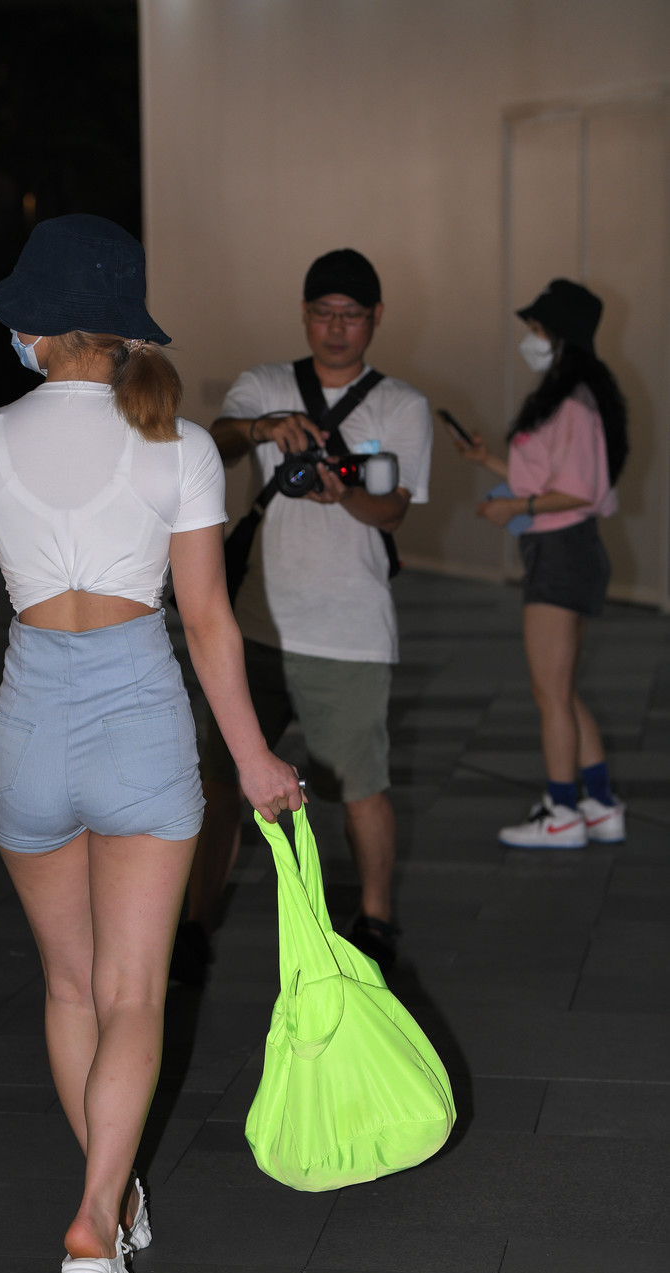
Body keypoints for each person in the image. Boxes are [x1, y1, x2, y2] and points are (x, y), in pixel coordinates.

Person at [0, 215, 303, 1273]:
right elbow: (207, 620)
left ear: (39, 328)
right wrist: (252, 757)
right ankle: (95, 1224)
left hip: (26, 729)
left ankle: (113, 1192)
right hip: (140, 721)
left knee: (69, 988)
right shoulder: (176, 445)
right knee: (136, 992)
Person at [175, 249, 432, 980]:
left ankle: (375, 919)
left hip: (349, 633)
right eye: (323, 312)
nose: (336, 327)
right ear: (303, 314)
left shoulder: (401, 405)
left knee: (361, 787)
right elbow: (215, 446)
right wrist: (264, 429)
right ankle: (195, 923)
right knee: (220, 784)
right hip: (254, 627)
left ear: (376, 318)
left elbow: (393, 511)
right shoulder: (265, 385)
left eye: (351, 314)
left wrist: (342, 493)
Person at [447, 278, 628, 848]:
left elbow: (576, 491)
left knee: (550, 693)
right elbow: (552, 478)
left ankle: (561, 812)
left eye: (536, 329)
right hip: (567, 551)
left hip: (561, 554)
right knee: (562, 689)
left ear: (561, 335)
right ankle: (599, 804)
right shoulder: (572, 397)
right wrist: (489, 462)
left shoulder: (573, 404)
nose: (530, 338)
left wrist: (513, 508)